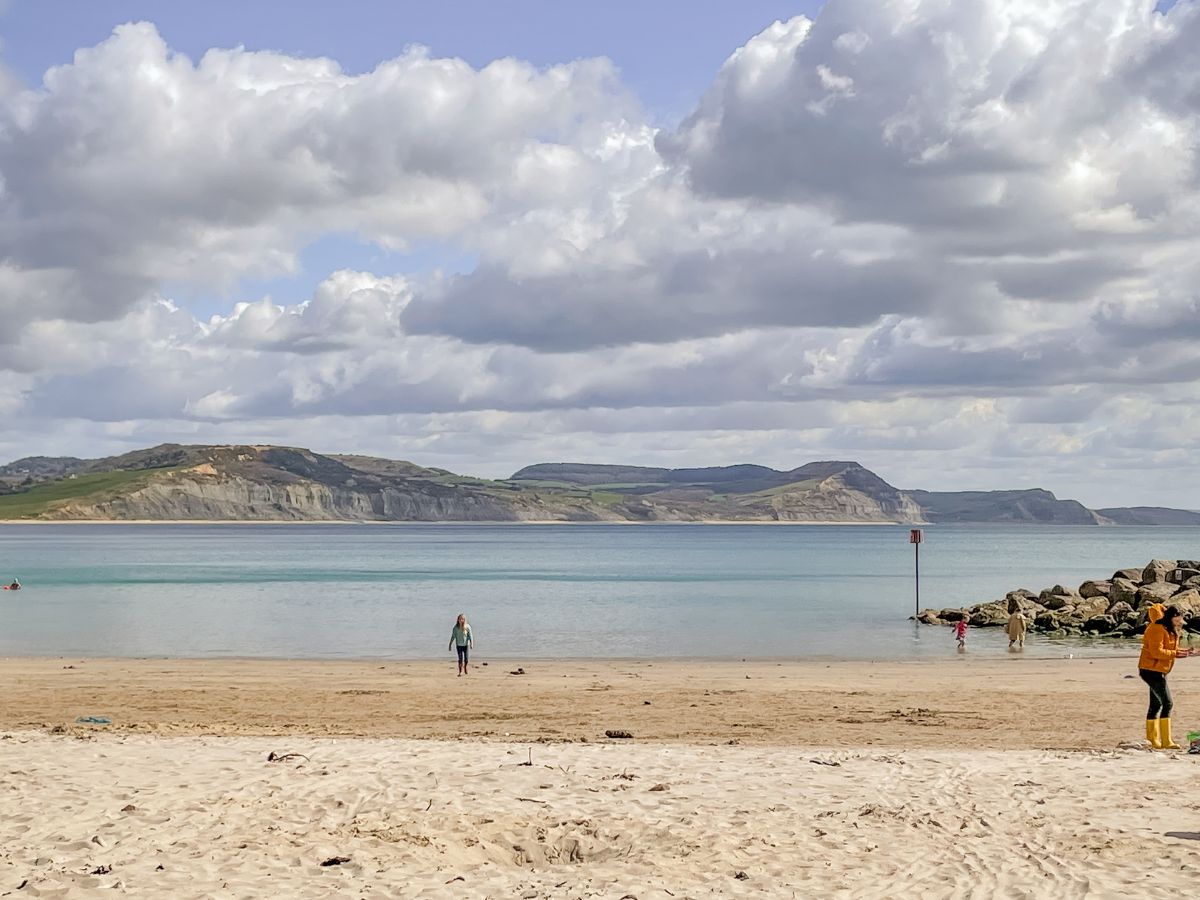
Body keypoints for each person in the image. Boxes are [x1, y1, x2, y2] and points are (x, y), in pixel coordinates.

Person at [1138, 604, 1192, 750]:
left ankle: (1153, 740)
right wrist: (1176, 654)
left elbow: (1170, 650)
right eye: (1179, 620)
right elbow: (1157, 652)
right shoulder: (1156, 628)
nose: (1181, 623)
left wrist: (1186, 652)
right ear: (1172, 618)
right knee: (1167, 703)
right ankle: (1166, 741)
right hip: (1150, 670)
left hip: (1159, 670)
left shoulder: (1169, 629)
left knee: (1156, 705)